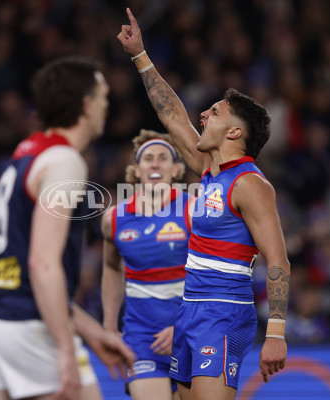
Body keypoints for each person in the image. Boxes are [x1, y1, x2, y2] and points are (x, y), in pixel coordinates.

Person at [117, 9, 290, 400]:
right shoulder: (210, 170)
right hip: (190, 309)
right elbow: (171, 114)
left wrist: (276, 333)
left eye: (213, 112)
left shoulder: (250, 184)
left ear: (233, 131)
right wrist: (140, 56)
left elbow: (277, 261)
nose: (202, 114)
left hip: (224, 313)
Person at [0, 56, 135, 400]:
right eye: (103, 98)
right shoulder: (65, 161)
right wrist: (64, 348)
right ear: (86, 106)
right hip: (28, 327)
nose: (107, 106)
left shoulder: (26, 153)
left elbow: (28, 273)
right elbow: (42, 265)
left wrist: (89, 331)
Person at [102, 129, 195, 400]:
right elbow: (110, 267)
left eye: (163, 158)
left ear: (176, 169)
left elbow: (212, 274)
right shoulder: (114, 219)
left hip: (191, 334)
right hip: (142, 339)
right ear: (137, 171)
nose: (155, 163)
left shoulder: (193, 211)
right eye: (148, 158)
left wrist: (183, 326)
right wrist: (109, 327)